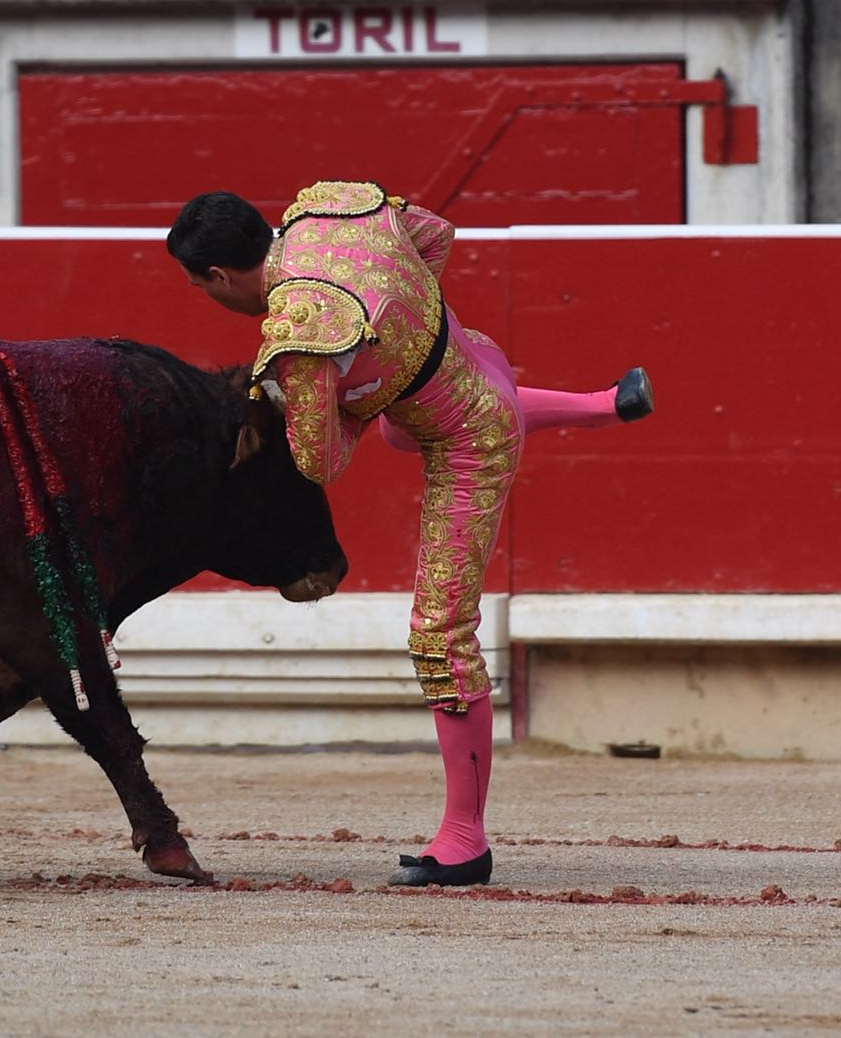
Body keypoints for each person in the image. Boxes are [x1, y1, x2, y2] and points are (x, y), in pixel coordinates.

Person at [166, 182, 654, 887]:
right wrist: (405, 337)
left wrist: (333, 400)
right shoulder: (327, 214)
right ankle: (607, 404)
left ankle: (465, 841)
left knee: (439, 635)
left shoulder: (300, 333)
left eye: (200, 288)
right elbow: (435, 235)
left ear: (218, 275)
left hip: (470, 440)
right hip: (467, 353)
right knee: (403, 418)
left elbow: (321, 463)